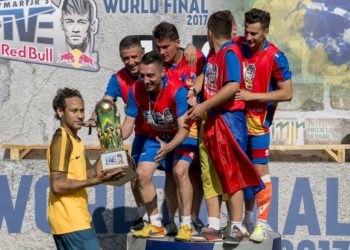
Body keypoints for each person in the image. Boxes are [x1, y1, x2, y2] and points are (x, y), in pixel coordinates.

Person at [188, 11, 262, 245]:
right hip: (209, 120)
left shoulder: (230, 52)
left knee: (231, 174)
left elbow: (232, 86)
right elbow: (204, 74)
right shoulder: (213, 55)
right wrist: (194, 91)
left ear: (209, 33)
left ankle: (237, 226)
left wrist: (204, 106)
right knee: (209, 173)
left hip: (228, 121)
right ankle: (213, 225)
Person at [235, 8, 292, 242]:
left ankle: (262, 222)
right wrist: (189, 49)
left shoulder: (276, 57)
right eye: (247, 32)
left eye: (255, 34)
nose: (249, 38)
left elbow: (287, 93)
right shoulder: (237, 44)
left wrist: (253, 96)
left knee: (260, 172)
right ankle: (245, 220)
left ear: (266, 32)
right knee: (239, 172)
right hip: (235, 121)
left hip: (259, 124)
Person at [122, 51, 192, 241]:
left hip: (181, 136)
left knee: (179, 173)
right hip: (157, 136)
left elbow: (184, 129)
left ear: (162, 73)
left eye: (151, 76)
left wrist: (169, 148)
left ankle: (186, 225)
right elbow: (128, 124)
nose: (146, 80)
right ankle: (155, 225)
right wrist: (112, 137)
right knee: (142, 174)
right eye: (142, 75)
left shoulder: (177, 90)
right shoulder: (136, 89)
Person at [85, 35, 149, 232]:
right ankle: (143, 218)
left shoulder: (155, 69)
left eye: (134, 57)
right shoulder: (118, 78)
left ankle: (184, 220)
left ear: (142, 54)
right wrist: (94, 119)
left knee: (179, 174)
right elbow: (105, 102)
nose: (130, 62)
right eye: (125, 58)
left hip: (167, 132)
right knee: (135, 175)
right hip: (141, 133)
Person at [47, 87, 124, 250]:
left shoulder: (76, 140)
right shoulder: (62, 138)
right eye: (74, 111)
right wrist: (96, 180)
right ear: (60, 112)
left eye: (82, 110)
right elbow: (57, 185)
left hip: (74, 218)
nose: (80, 115)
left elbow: (90, 173)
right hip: (70, 219)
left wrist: (109, 144)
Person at [152, 21, 206, 237]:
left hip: (192, 127)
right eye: (158, 47)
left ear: (177, 43)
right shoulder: (158, 66)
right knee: (171, 177)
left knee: (189, 173)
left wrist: (192, 47)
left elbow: (210, 69)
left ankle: (191, 219)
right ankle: (170, 221)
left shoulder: (195, 58)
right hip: (168, 131)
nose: (161, 51)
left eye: (166, 47)